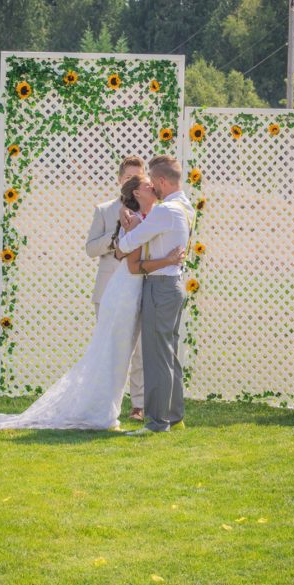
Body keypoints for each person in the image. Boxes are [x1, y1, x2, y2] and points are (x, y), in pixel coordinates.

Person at [0, 172, 184, 432]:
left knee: (116, 353)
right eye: (148, 185)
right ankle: (99, 411)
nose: (153, 187)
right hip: (126, 293)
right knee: (113, 353)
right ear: (137, 193)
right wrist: (168, 261)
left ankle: (109, 408)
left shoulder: (149, 216)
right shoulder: (135, 220)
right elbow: (134, 265)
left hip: (132, 292)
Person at [116, 155, 194, 435]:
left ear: (162, 181)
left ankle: (156, 423)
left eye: (152, 180)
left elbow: (128, 243)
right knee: (169, 355)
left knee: (156, 356)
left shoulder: (165, 211)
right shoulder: (186, 207)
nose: (151, 185)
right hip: (173, 286)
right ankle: (174, 416)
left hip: (159, 287)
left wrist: (128, 228)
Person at [86, 155, 146, 421]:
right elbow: (90, 248)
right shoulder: (104, 210)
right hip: (109, 288)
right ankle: (106, 403)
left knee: (141, 351)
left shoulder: (152, 209)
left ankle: (138, 405)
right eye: (128, 178)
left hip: (139, 286)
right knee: (109, 349)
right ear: (120, 180)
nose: (132, 183)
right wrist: (114, 239)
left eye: (138, 178)